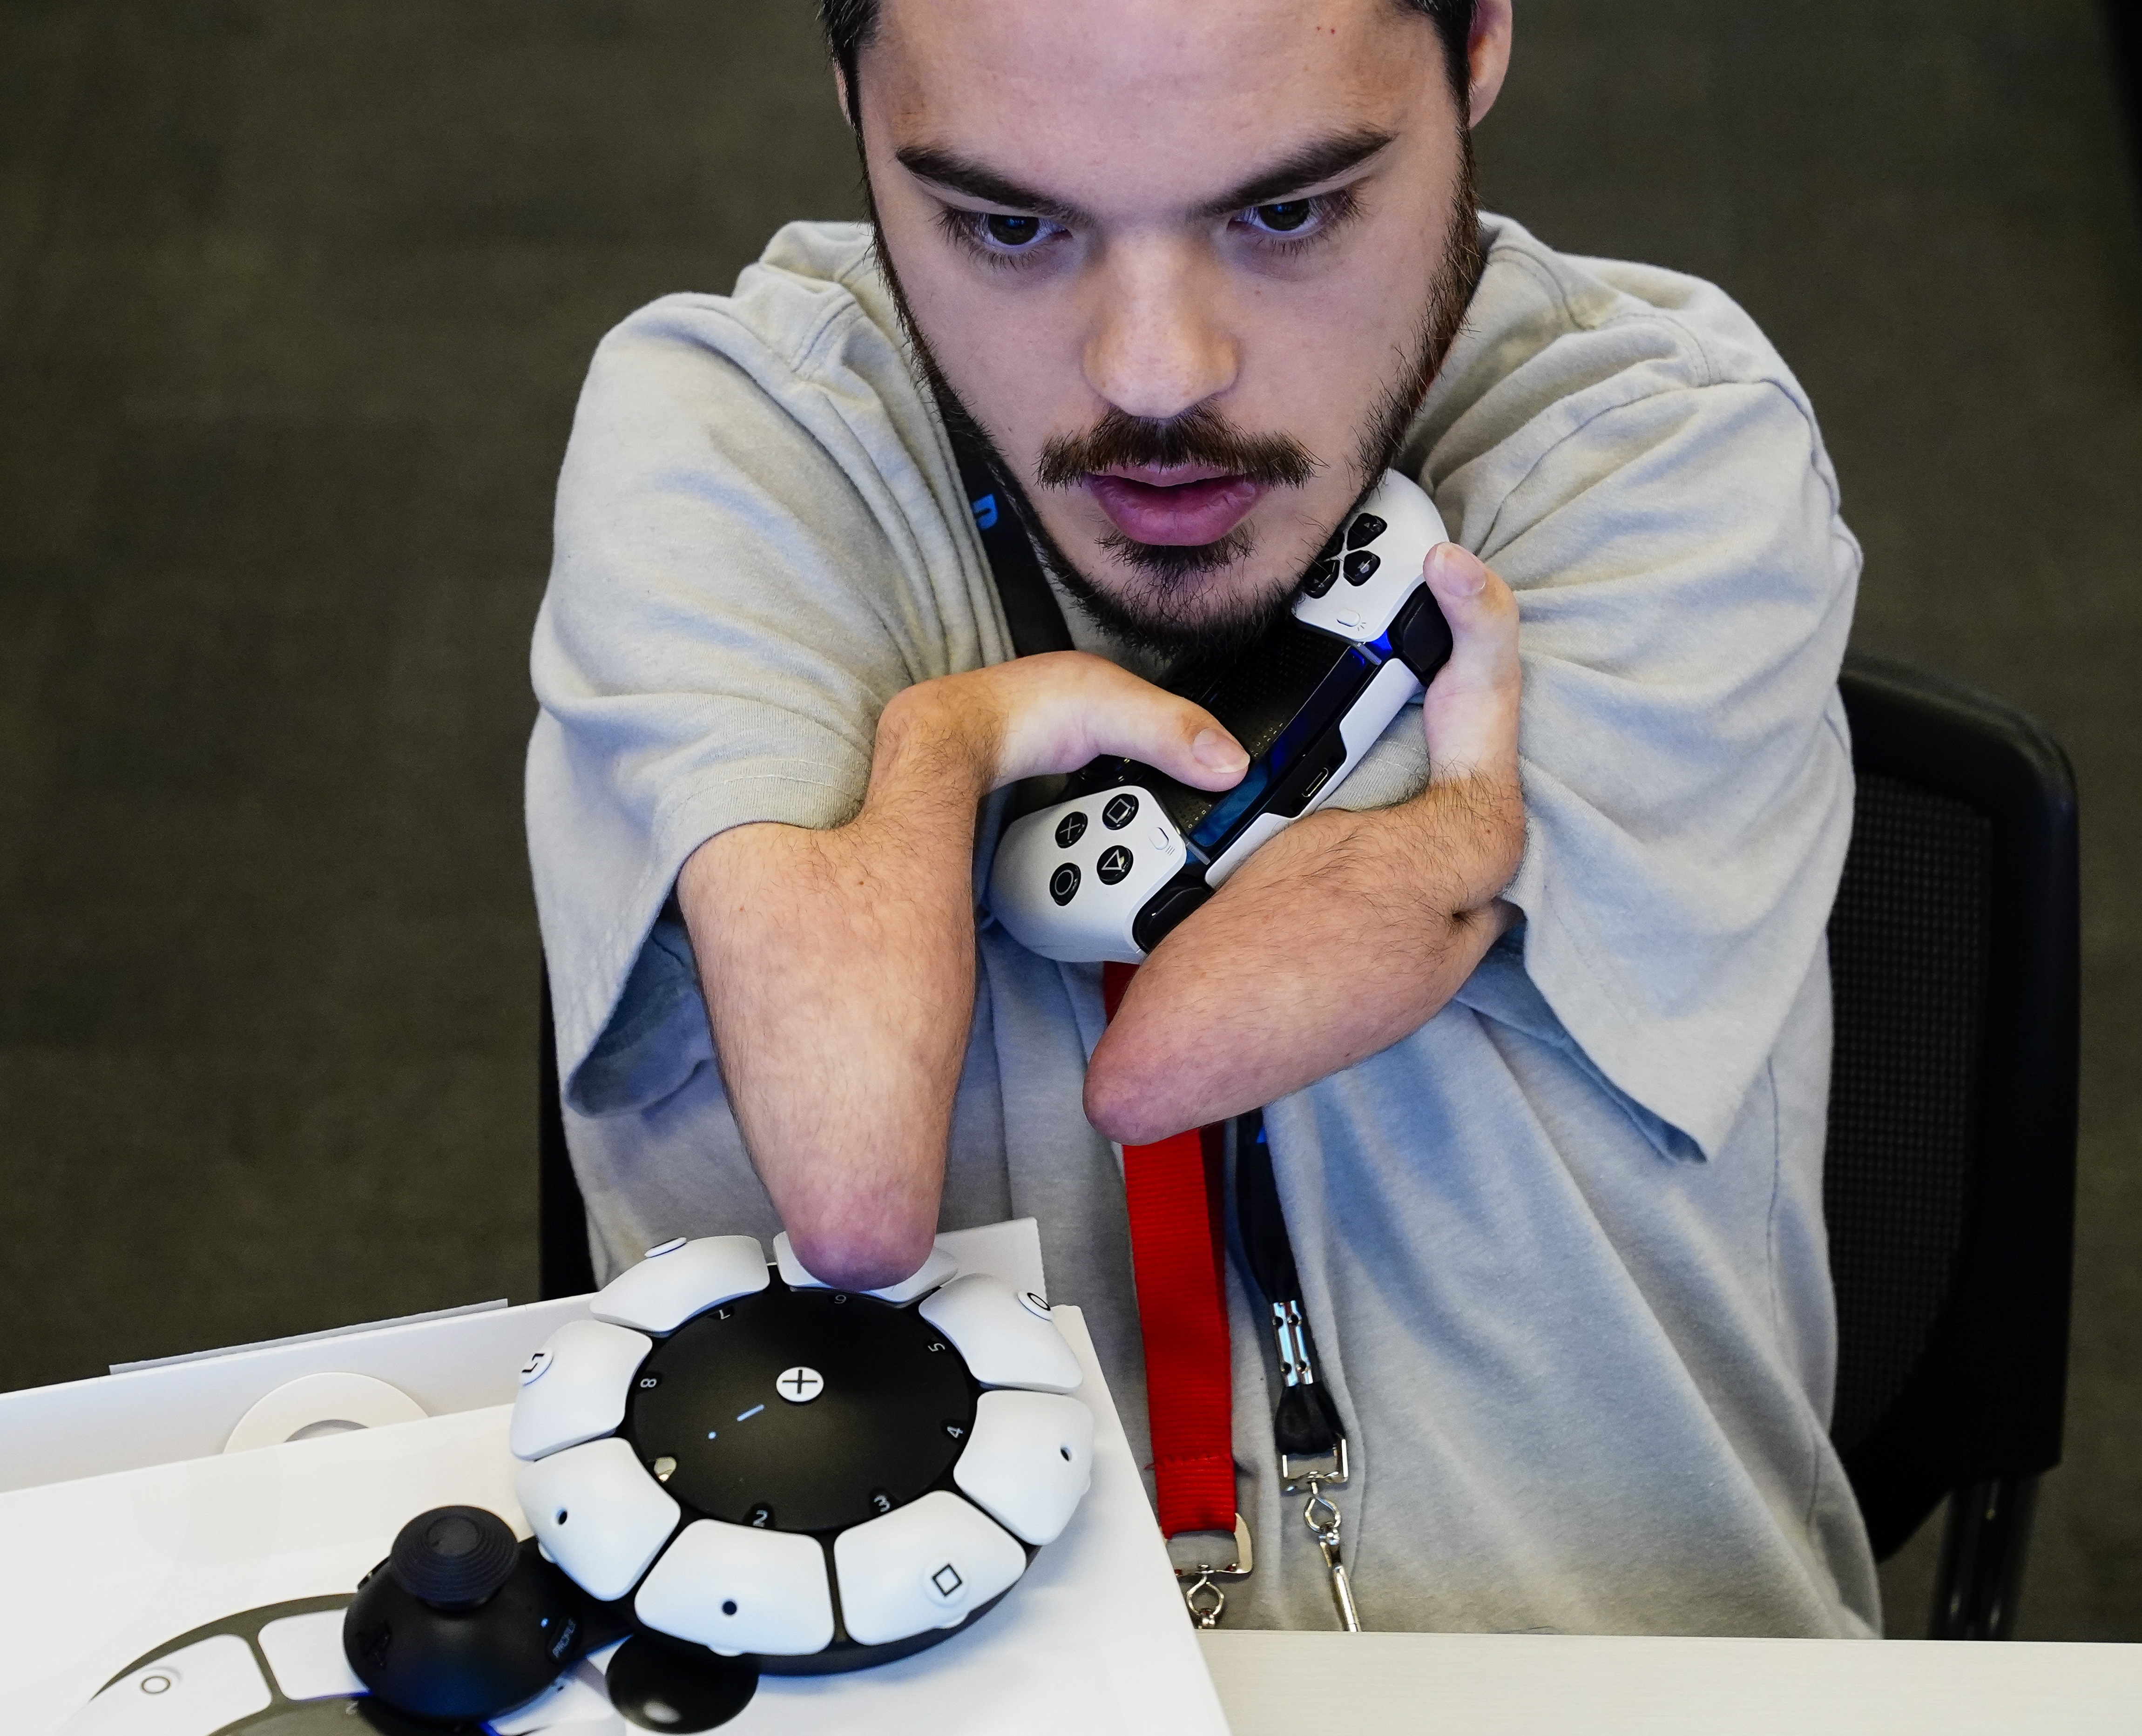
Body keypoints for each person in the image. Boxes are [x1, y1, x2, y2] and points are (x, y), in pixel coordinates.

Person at [527, 0, 1879, 1636]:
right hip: (875, 1671)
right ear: (850, 98)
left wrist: (915, 814)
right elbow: (857, 1190)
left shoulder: (1666, 449)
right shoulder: (731, 439)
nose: (1155, 374)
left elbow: (1174, 1040)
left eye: (1286, 211)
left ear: (1476, 49)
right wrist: (948, 742)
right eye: (1006, 226)